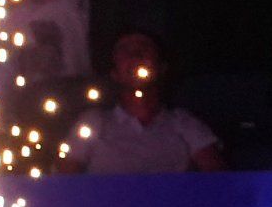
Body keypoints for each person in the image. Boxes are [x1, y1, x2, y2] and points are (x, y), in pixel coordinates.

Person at [69, 31, 228, 175]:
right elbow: (64, 181)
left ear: (161, 68)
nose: (135, 55)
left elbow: (218, 179)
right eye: (124, 50)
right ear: (115, 74)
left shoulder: (184, 123)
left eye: (144, 48)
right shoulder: (93, 122)